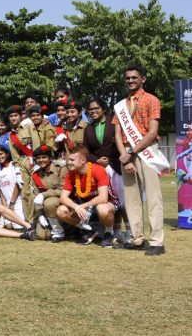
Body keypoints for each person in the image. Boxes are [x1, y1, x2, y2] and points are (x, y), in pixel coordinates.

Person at [113, 64, 167, 255]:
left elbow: (152, 133)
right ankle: (136, 239)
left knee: (153, 198)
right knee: (131, 199)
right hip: (126, 154)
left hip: (146, 152)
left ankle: (156, 242)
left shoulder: (152, 100)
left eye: (134, 78)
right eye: (127, 78)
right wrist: (125, 157)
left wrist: (132, 152)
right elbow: (118, 134)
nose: (130, 81)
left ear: (143, 79)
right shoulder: (120, 105)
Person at [85, 97, 130, 241]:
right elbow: (86, 151)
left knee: (122, 200)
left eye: (96, 108)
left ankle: (129, 230)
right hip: (100, 169)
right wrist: (96, 160)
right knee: (109, 200)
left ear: (103, 109)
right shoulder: (88, 129)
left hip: (117, 166)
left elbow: (121, 142)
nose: (93, 111)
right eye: (90, 109)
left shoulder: (114, 122)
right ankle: (115, 231)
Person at [56, 145, 120, 247]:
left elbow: (103, 198)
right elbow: (63, 197)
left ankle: (109, 233)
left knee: (102, 208)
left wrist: (82, 206)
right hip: (85, 208)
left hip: (106, 204)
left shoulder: (98, 170)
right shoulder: (71, 174)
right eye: (68, 159)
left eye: (72, 160)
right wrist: (76, 207)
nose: (68, 162)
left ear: (82, 160)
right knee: (61, 210)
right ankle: (87, 229)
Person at [30, 145, 68, 242]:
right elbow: (35, 196)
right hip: (45, 209)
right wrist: (40, 214)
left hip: (63, 203)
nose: (41, 160)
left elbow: (63, 190)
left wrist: (44, 195)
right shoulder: (35, 175)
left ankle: (58, 231)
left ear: (50, 158)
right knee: (43, 236)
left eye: (44, 157)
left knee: (49, 202)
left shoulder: (61, 169)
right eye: (38, 158)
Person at [6, 105, 35, 222]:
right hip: (23, 164)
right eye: (11, 116)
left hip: (35, 160)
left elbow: (36, 143)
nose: (13, 118)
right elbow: (15, 155)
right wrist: (17, 171)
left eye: (16, 115)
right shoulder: (11, 135)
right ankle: (30, 221)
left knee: (36, 191)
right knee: (26, 192)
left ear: (20, 116)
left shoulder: (28, 126)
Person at [0, 145, 26, 230]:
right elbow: (1, 190)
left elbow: (17, 185)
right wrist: (5, 206)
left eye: (1, 154)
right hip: (7, 203)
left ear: (7, 154)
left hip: (17, 200)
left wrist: (12, 203)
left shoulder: (14, 166)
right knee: (8, 226)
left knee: (18, 227)